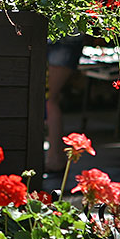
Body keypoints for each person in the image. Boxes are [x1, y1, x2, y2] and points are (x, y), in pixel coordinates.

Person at [44, 34, 84, 172]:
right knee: (50, 100)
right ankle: (55, 157)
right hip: (63, 39)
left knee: (50, 100)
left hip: (62, 40)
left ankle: (55, 159)